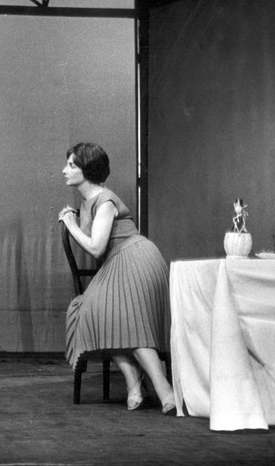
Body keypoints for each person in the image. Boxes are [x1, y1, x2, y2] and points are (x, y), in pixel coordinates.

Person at [58, 142, 175, 414]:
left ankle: (164, 390)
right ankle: (134, 383)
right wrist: (75, 218)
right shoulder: (88, 202)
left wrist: (71, 225)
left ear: (87, 170)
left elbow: (97, 248)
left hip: (137, 259)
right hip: (117, 264)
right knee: (93, 313)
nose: (65, 170)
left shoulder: (106, 201)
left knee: (126, 317)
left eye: (72, 165)